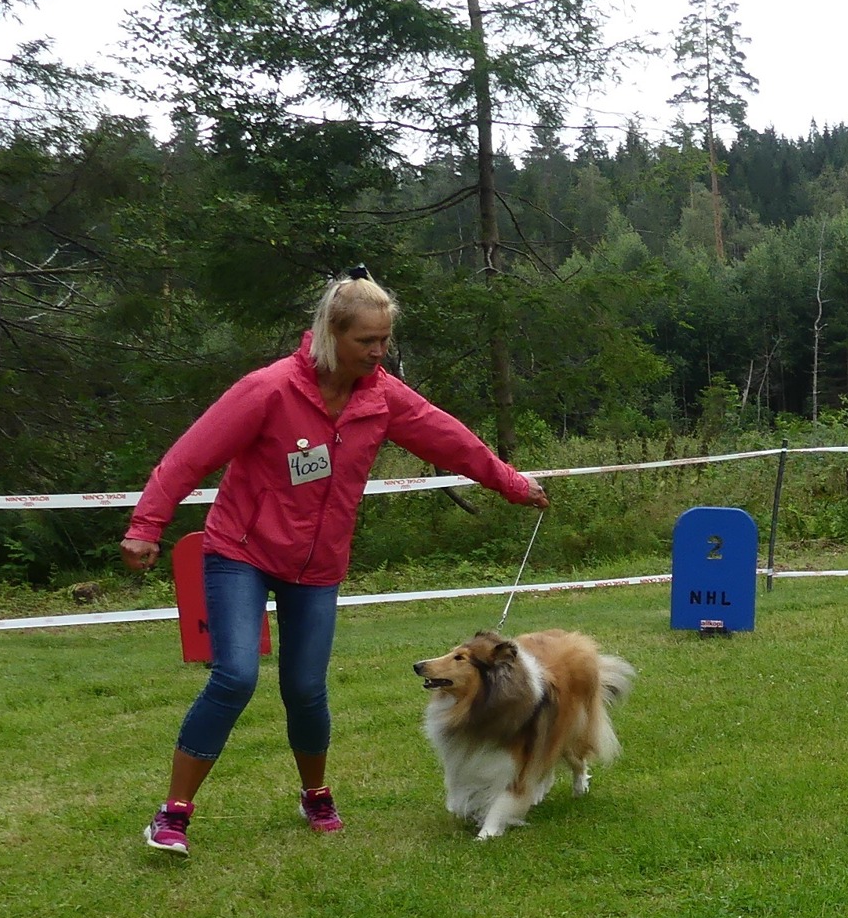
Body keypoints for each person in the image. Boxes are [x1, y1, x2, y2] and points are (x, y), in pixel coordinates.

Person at [120, 273, 549, 854]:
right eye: (366, 341)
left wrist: (513, 484)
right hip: (242, 551)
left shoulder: (383, 397)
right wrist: (146, 526)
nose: (378, 352)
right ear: (331, 333)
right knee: (235, 676)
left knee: (305, 687)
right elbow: (188, 457)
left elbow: (452, 441)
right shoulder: (268, 390)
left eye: (384, 340)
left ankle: (315, 794)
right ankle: (172, 814)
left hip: (318, 564)